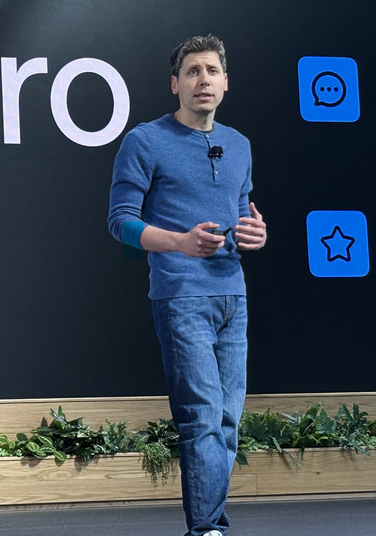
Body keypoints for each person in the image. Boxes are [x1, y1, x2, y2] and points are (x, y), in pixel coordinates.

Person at [107, 34, 267, 536]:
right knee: (201, 417)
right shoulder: (145, 140)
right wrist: (179, 242)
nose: (203, 80)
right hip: (181, 295)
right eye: (193, 71)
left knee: (227, 422)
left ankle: (211, 524)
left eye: (212, 70)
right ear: (175, 84)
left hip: (233, 295)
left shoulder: (239, 144)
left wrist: (253, 233)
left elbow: (239, 214)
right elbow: (120, 221)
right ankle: (206, 529)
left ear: (226, 82)